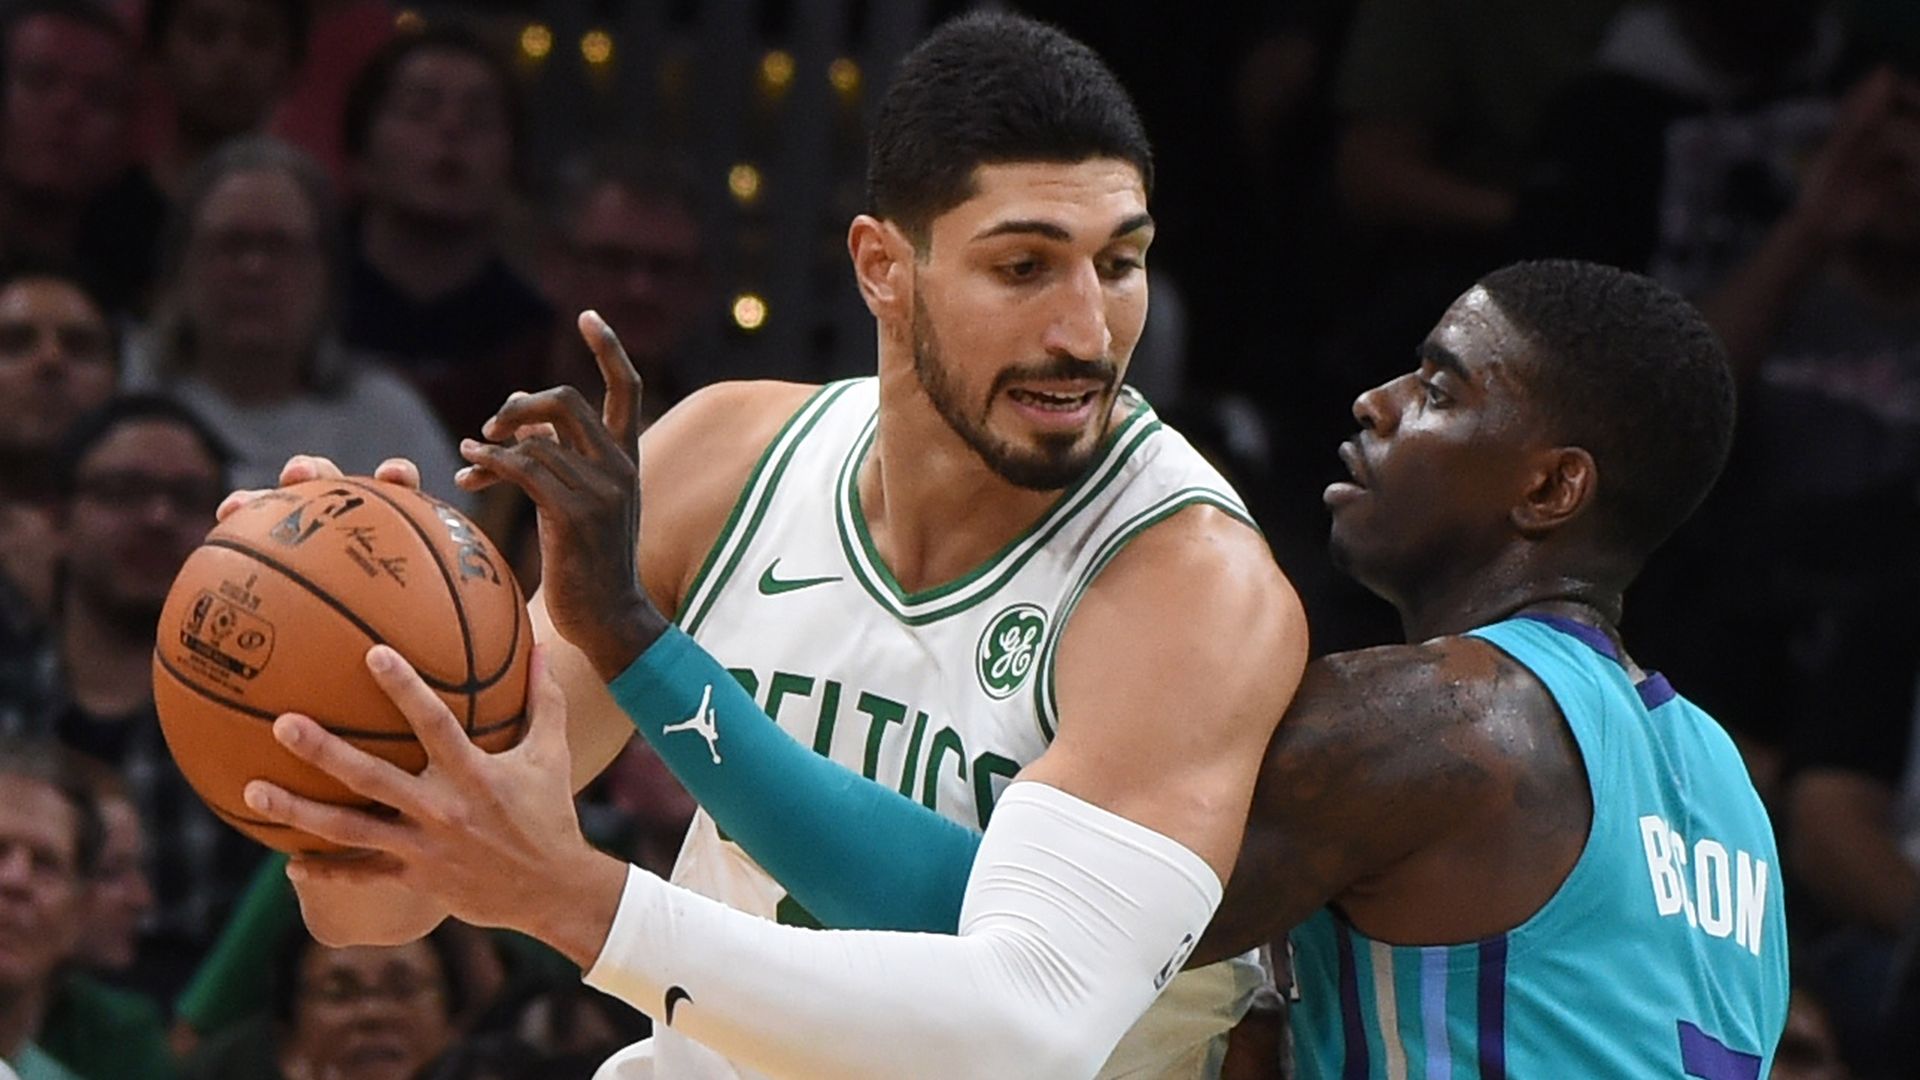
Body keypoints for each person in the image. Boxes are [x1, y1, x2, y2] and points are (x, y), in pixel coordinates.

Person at [226, 12, 1308, 1079]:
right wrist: (335, 661)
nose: (1085, 329)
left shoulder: (1193, 587)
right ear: (883, 267)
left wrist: (581, 898)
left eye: (1119, 264)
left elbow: (1029, 1034)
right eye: (1024, 267)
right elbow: (379, 902)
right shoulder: (720, 464)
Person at [0, 396, 262, 1004]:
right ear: (57, 520)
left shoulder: (258, 719)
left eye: (189, 499)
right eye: (123, 491)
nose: (158, 517)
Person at [125, 136, 466, 507]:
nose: (254, 268)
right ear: (181, 264)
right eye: (230, 243)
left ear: (326, 272)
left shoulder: (389, 419)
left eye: (279, 245)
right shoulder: (126, 384)